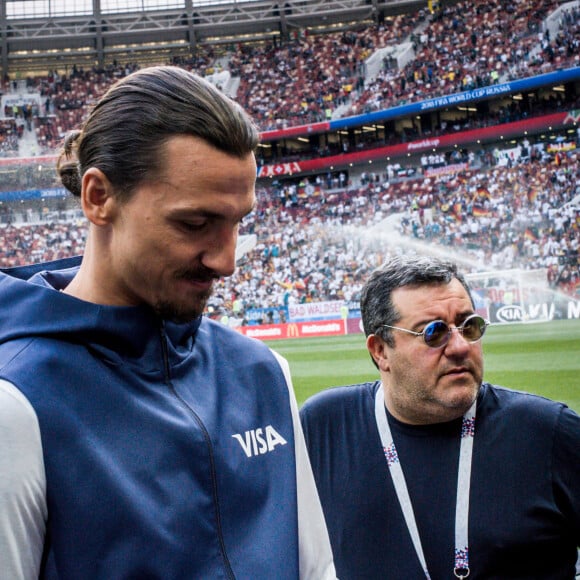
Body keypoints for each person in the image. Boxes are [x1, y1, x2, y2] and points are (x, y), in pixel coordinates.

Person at [0, 66, 336, 579]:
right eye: (195, 223)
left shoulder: (265, 372)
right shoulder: (16, 404)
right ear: (99, 197)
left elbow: (316, 569)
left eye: (237, 223)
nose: (226, 261)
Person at [300, 254, 580, 579]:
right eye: (433, 333)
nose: (460, 346)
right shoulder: (323, 426)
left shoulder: (548, 432)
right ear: (380, 351)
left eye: (468, 326)